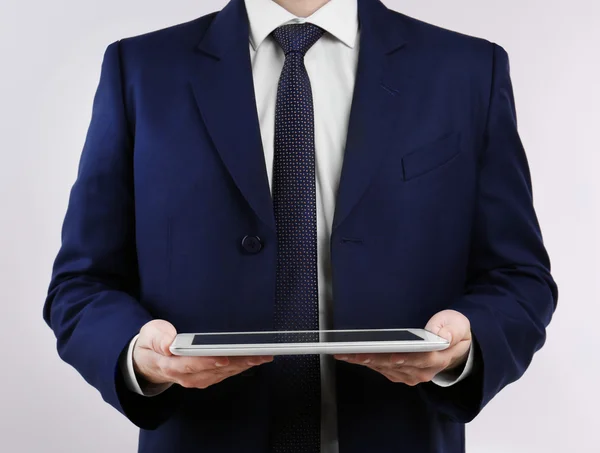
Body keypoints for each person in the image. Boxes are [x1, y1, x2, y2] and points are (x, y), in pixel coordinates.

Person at [43, 0, 558, 452]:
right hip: (203, 433)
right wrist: (138, 355)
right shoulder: (141, 69)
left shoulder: (466, 70)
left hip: (401, 429)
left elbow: (518, 278)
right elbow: (81, 284)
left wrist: (467, 348)